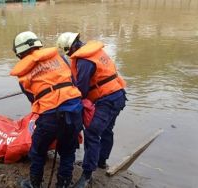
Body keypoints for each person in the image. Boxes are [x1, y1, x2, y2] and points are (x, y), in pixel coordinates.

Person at [10, 31, 83, 188]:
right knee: (68, 151)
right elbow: (74, 83)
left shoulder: (23, 73)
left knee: (37, 151)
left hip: (50, 117)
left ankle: (35, 184)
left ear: (19, 54)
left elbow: (34, 101)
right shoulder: (60, 58)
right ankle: (63, 184)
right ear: (39, 45)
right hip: (75, 110)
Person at [57, 32, 127, 188]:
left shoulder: (83, 60)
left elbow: (81, 89)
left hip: (107, 100)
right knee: (107, 130)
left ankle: (87, 174)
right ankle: (101, 161)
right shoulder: (93, 51)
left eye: (67, 52)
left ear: (70, 49)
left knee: (92, 132)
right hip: (119, 95)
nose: (69, 55)